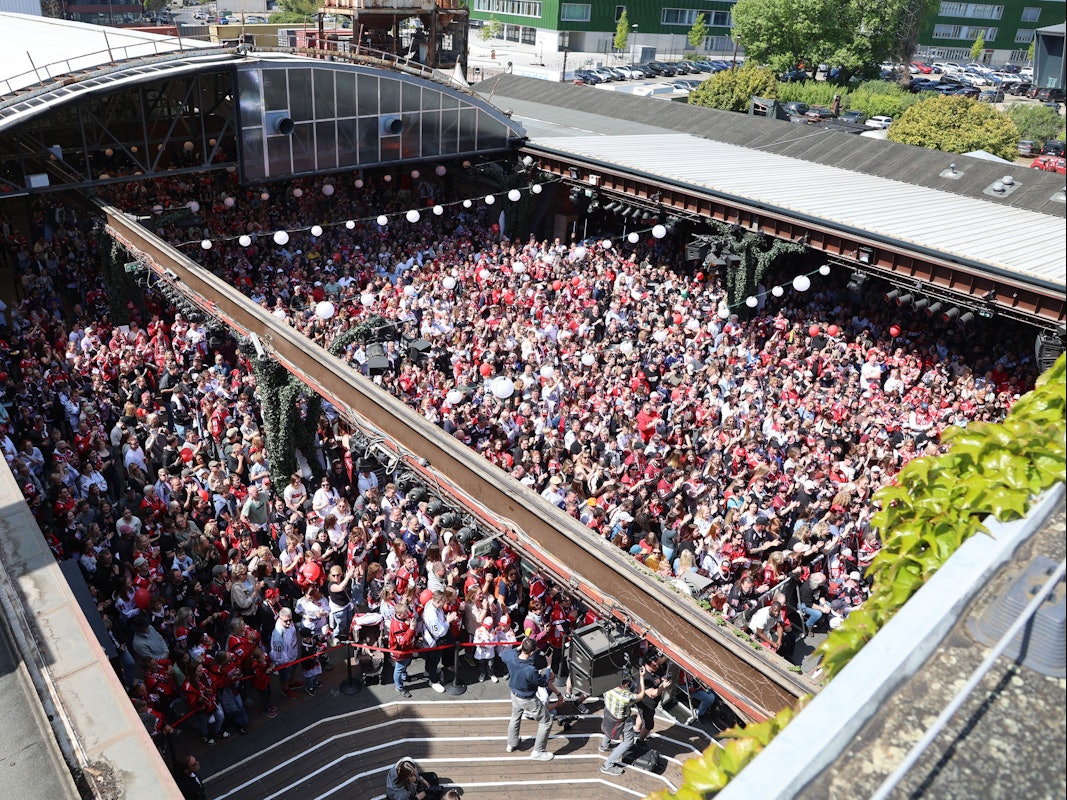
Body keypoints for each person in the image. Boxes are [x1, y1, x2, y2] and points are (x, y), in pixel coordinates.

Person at [500, 636, 555, 760]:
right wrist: (548, 666)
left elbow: (505, 655)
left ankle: (511, 743)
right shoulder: (530, 670)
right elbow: (543, 682)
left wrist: (521, 645)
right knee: (546, 722)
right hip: (527, 699)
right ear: (532, 652)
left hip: (514, 694)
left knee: (515, 718)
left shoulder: (511, 658)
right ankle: (538, 751)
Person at [599, 670, 646, 776]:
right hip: (621, 720)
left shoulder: (607, 686)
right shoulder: (626, 696)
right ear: (626, 683)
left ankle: (604, 746)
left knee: (608, 728)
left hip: (608, 713)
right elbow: (641, 695)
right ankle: (607, 765)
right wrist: (642, 677)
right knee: (628, 742)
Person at [635, 654, 672, 743]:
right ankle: (640, 741)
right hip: (647, 704)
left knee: (641, 715)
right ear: (646, 664)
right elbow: (652, 694)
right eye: (654, 665)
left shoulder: (657, 668)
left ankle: (636, 730)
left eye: (657, 664)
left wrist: (663, 679)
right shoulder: (645, 678)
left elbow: (661, 663)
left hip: (651, 703)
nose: (657, 666)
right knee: (648, 725)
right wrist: (663, 686)